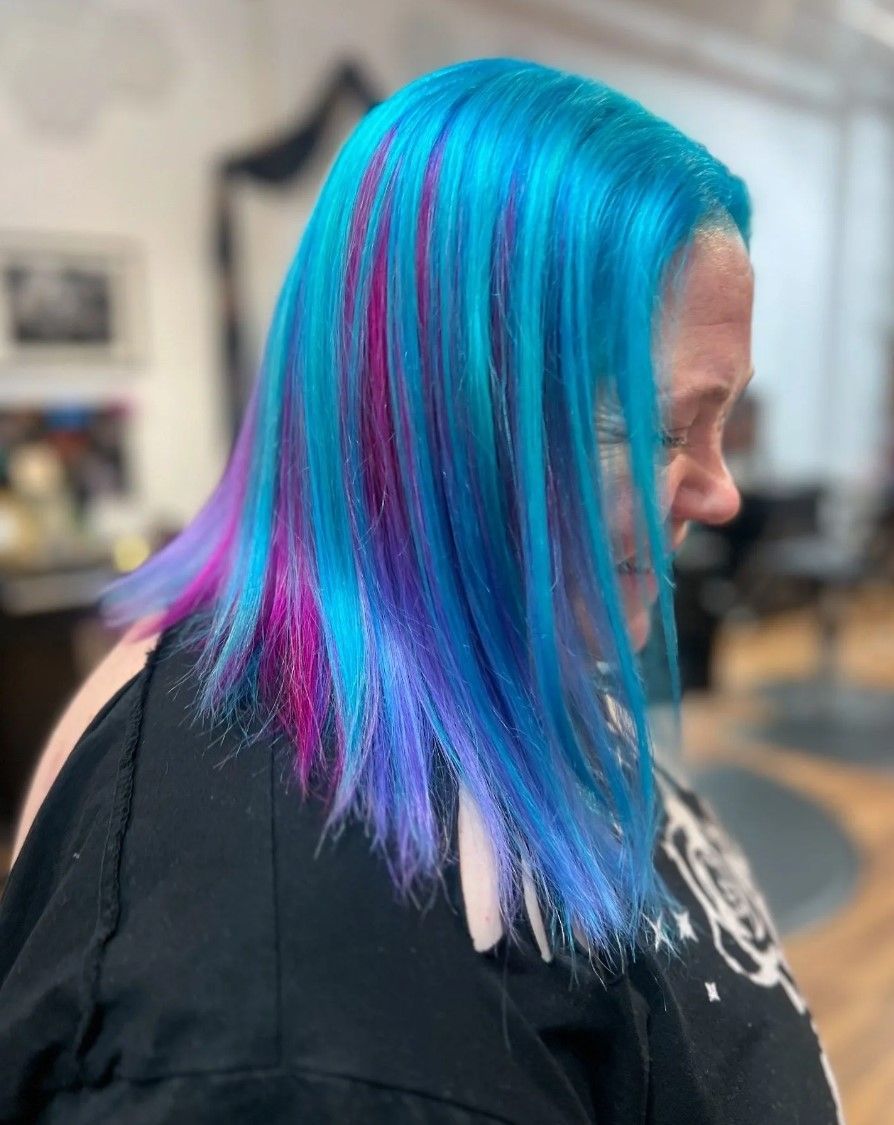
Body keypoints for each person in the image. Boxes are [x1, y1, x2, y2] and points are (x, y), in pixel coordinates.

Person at [0, 58, 845, 1123]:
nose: (721, 491)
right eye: (666, 425)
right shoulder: (293, 1028)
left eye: (724, 422)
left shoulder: (485, 634)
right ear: (448, 413)